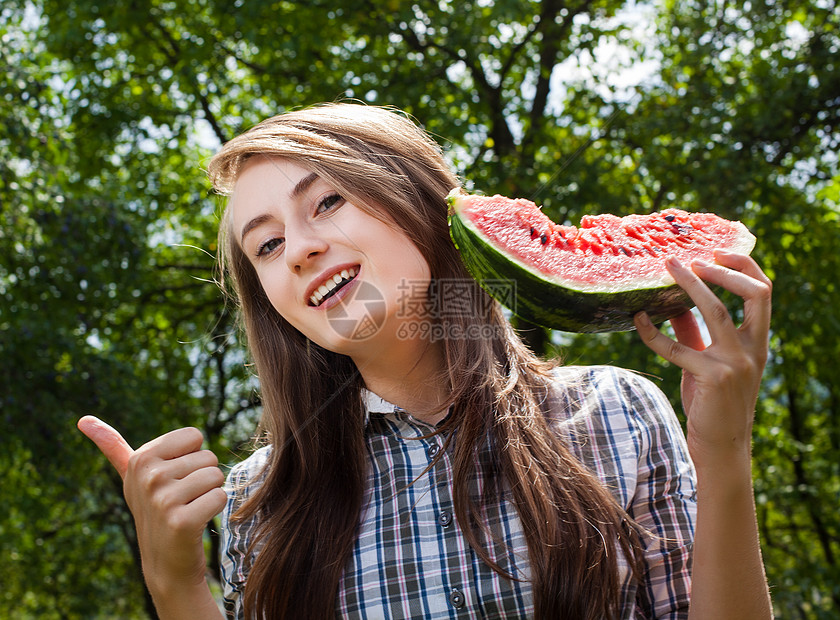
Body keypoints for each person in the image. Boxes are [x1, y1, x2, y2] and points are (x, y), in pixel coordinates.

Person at [78, 103, 773, 619]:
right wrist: (176, 587)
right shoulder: (261, 503)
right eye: (266, 246)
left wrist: (724, 452)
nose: (298, 249)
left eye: (326, 201)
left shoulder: (618, 413)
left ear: (428, 202)